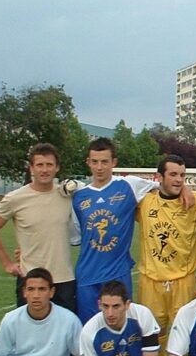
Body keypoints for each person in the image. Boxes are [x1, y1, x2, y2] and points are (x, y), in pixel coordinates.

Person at [71, 137, 177, 324]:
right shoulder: (78, 197)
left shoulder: (129, 185)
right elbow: (75, 236)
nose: (99, 167)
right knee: (90, 328)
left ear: (114, 162)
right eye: (95, 162)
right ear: (88, 162)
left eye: (105, 162)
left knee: (122, 328)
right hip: (87, 276)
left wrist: (186, 191)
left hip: (117, 274)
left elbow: (166, 187)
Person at [0, 143, 78, 313]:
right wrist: (7, 264)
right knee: (29, 328)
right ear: (31, 168)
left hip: (64, 280)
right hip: (31, 280)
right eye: (40, 165)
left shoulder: (67, 195)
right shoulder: (15, 198)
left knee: (66, 328)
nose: (45, 170)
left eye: (49, 165)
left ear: (57, 167)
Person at [136, 155, 196, 356]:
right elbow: (122, 183)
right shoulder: (144, 202)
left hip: (183, 281)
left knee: (185, 336)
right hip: (151, 282)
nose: (178, 180)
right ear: (159, 177)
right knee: (152, 336)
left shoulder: (194, 201)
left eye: (182, 175)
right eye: (173, 174)